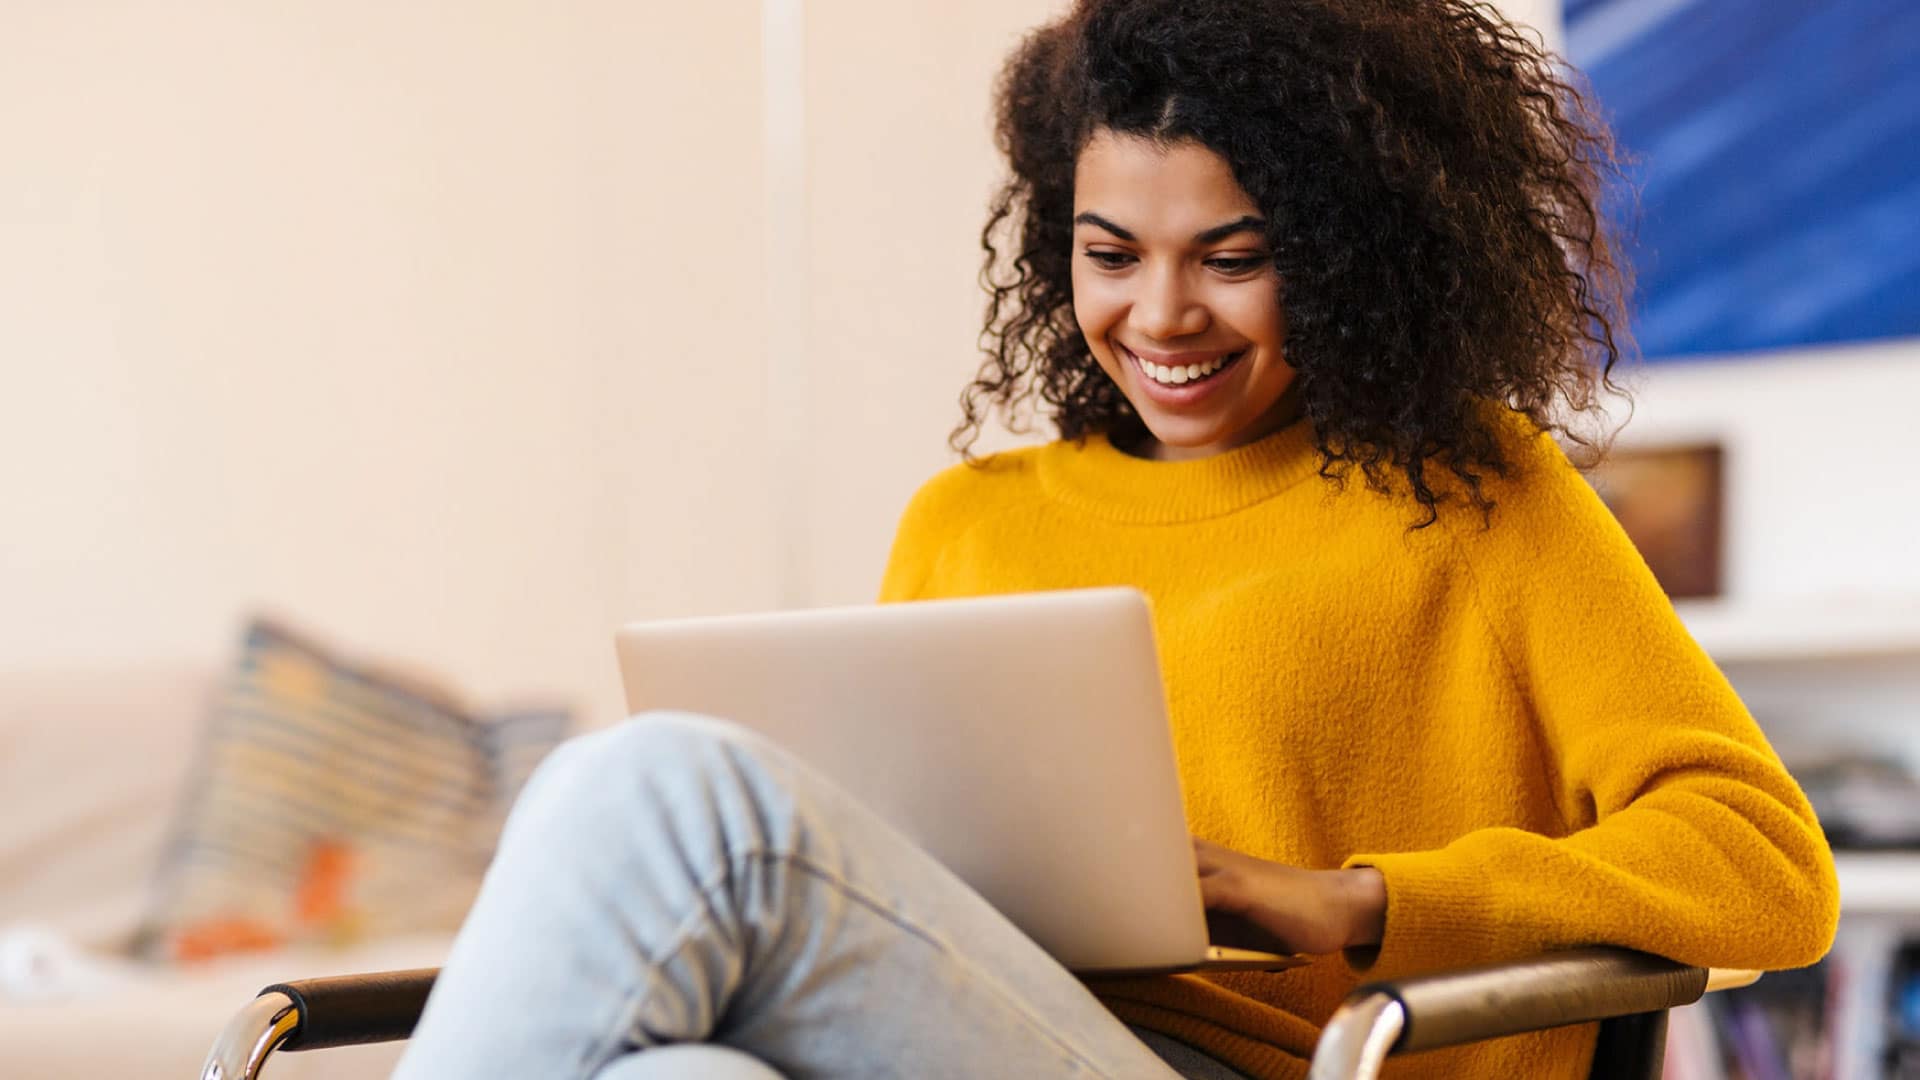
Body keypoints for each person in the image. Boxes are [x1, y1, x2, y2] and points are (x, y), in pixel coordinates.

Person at [393, 1, 1839, 1077]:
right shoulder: (968, 521)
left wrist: (1359, 901)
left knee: (651, 784)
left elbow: (1769, 867)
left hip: (1271, 1065)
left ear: (1350, 252)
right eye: (1111, 253)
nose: (1160, 316)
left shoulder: (1473, 496)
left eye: (1233, 257)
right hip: (976, 1025)